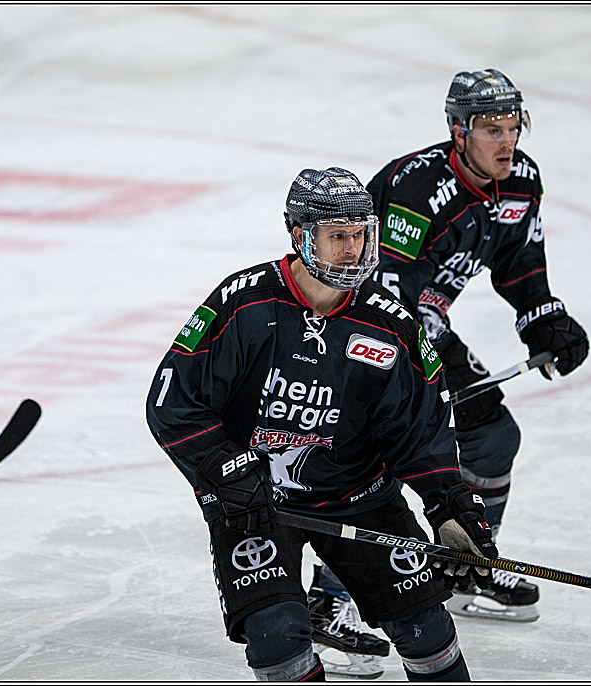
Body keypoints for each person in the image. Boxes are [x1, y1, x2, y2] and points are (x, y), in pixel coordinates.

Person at [145, 167, 499, 681]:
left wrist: (451, 504)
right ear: (300, 236)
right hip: (256, 506)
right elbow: (172, 402)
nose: (352, 249)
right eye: (338, 236)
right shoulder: (243, 303)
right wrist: (223, 469)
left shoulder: (391, 324)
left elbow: (421, 430)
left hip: (361, 496)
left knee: (427, 630)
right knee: (276, 637)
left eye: (360, 234)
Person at [360, 68, 589, 622]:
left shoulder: (521, 179)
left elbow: (519, 263)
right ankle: (330, 598)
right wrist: (440, 360)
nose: (506, 141)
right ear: (458, 131)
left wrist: (543, 317)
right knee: (369, 453)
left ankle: (466, 567)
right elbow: (383, 285)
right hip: (364, 328)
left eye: (514, 126)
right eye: (491, 129)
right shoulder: (418, 189)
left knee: (489, 436)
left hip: (425, 320)